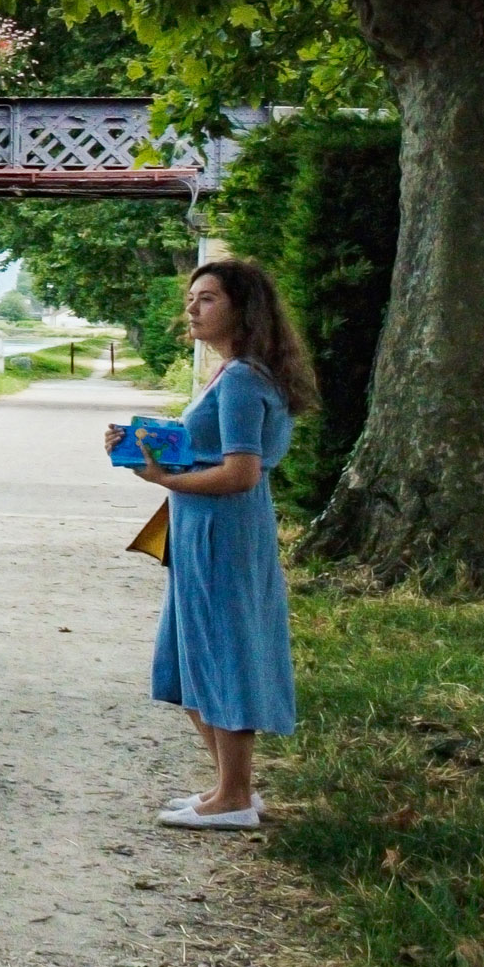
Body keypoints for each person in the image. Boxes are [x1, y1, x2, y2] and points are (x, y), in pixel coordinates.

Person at [108, 258, 315, 830]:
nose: (192, 309)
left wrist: (165, 480)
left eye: (207, 299)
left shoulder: (245, 379)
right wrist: (141, 447)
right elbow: (206, 451)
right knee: (191, 653)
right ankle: (230, 789)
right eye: (191, 298)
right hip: (202, 527)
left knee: (221, 650)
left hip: (223, 530)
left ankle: (234, 796)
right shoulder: (232, 373)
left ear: (241, 309)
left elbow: (241, 472)